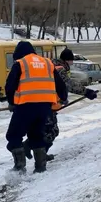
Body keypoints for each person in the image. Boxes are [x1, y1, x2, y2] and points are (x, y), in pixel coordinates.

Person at [5, 41, 68, 173]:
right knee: (36, 135)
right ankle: (40, 167)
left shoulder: (21, 63)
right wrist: (63, 97)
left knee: (14, 135)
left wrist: (12, 102)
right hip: (45, 107)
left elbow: (10, 85)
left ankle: (20, 166)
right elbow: (60, 84)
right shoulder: (47, 63)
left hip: (25, 105)